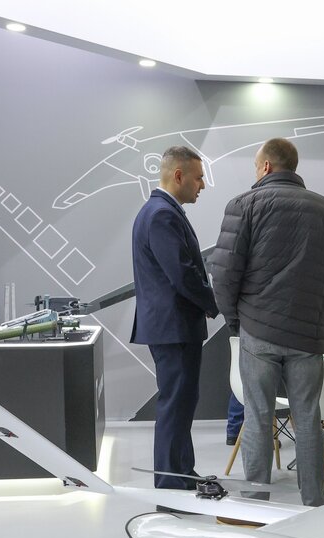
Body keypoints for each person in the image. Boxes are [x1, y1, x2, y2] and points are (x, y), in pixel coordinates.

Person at [209, 137, 324, 507]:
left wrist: (236, 320)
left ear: (267, 166)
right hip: (308, 334)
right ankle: (314, 499)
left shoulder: (243, 205)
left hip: (259, 330)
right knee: (309, 417)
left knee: (258, 417)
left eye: (256, 166)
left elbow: (223, 274)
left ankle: (256, 503)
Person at [130, 146, 218, 489]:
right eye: (198, 178)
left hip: (173, 327)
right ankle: (170, 482)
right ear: (178, 176)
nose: (203, 185)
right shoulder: (161, 215)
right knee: (175, 404)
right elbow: (182, 274)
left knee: (181, 403)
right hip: (174, 327)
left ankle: (182, 472)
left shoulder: (161, 211)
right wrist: (214, 302)